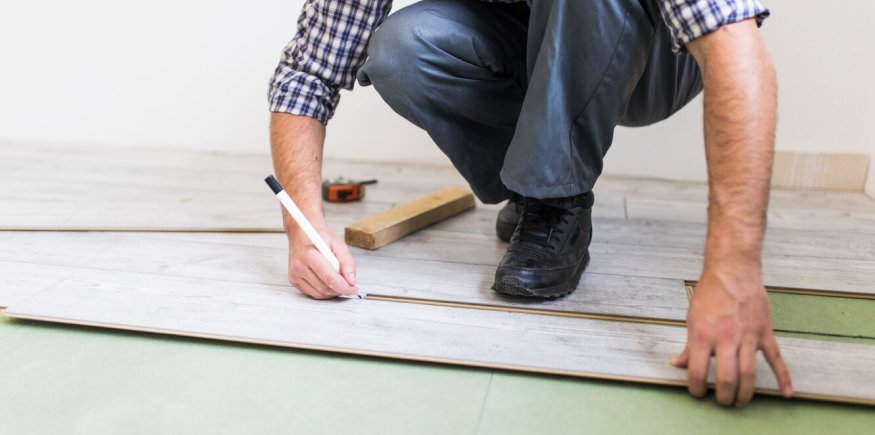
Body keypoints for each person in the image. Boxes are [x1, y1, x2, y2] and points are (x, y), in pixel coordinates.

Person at [266, 0, 792, 407]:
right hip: (526, 36)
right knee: (402, 49)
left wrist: (733, 271)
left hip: (651, 52)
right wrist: (303, 227)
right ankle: (540, 190)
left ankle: (554, 195)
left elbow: (737, 53)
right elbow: (308, 74)